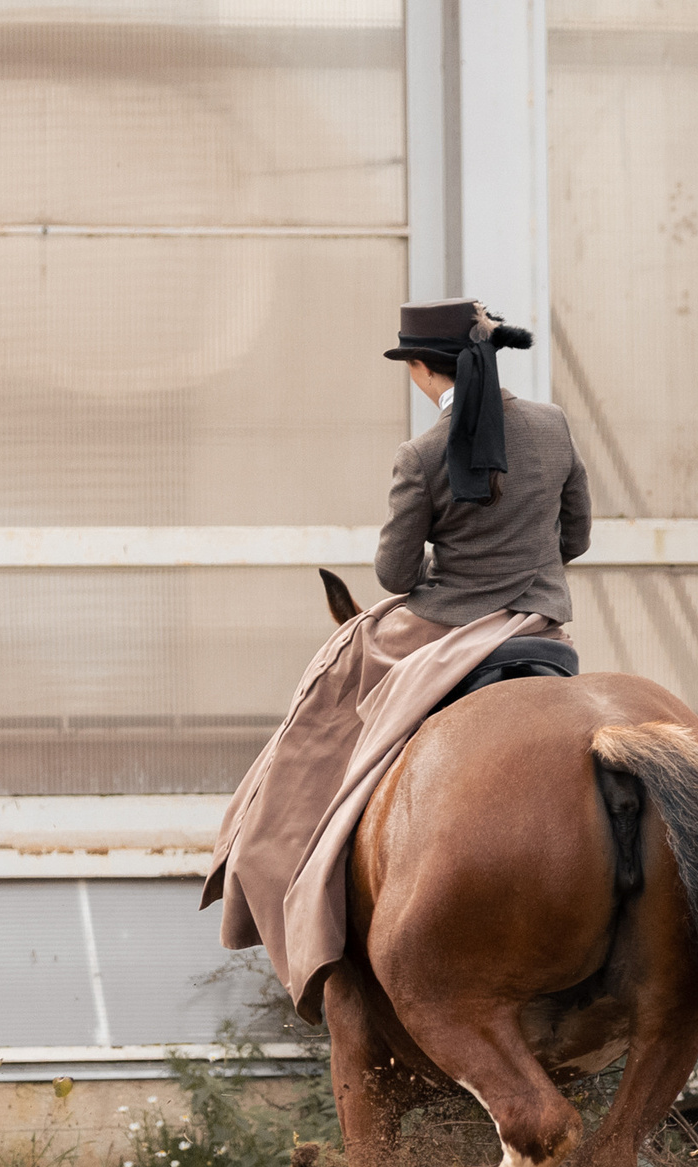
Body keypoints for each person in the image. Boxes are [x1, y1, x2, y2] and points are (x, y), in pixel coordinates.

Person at [203, 296, 593, 1017]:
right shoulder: (554, 426)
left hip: (446, 626)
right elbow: (576, 540)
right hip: (542, 630)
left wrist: (458, 573)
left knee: (324, 703)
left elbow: (392, 575)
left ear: (421, 369)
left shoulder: (421, 456)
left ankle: (273, 856)